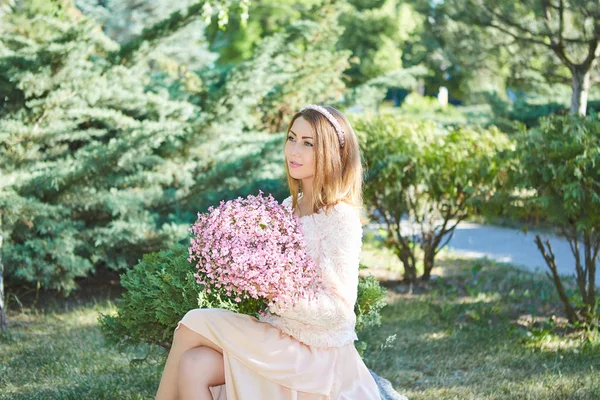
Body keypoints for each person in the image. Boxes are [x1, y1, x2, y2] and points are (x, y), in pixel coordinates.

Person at [155, 104, 381, 400]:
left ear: (331, 152)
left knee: (192, 322)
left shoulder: (340, 217)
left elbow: (340, 313)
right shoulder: (287, 206)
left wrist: (277, 292)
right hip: (275, 335)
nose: (294, 151)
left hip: (315, 353)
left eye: (308, 143)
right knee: (194, 364)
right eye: (291, 138)